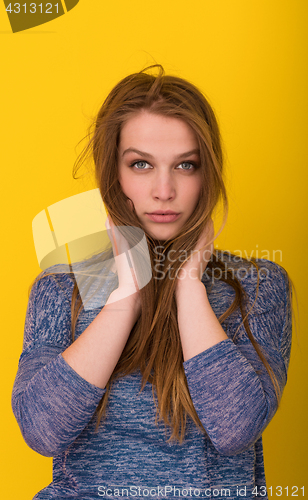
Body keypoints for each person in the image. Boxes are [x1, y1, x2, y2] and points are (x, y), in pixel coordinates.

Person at [11, 65, 292, 500]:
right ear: (114, 173)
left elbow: (235, 427)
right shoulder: (61, 287)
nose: (164, 190)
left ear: (208, 174)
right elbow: (42, 430)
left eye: (186, 165)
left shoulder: (258, 286)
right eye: (141, 164)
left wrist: (188, 287)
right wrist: (125, 298)